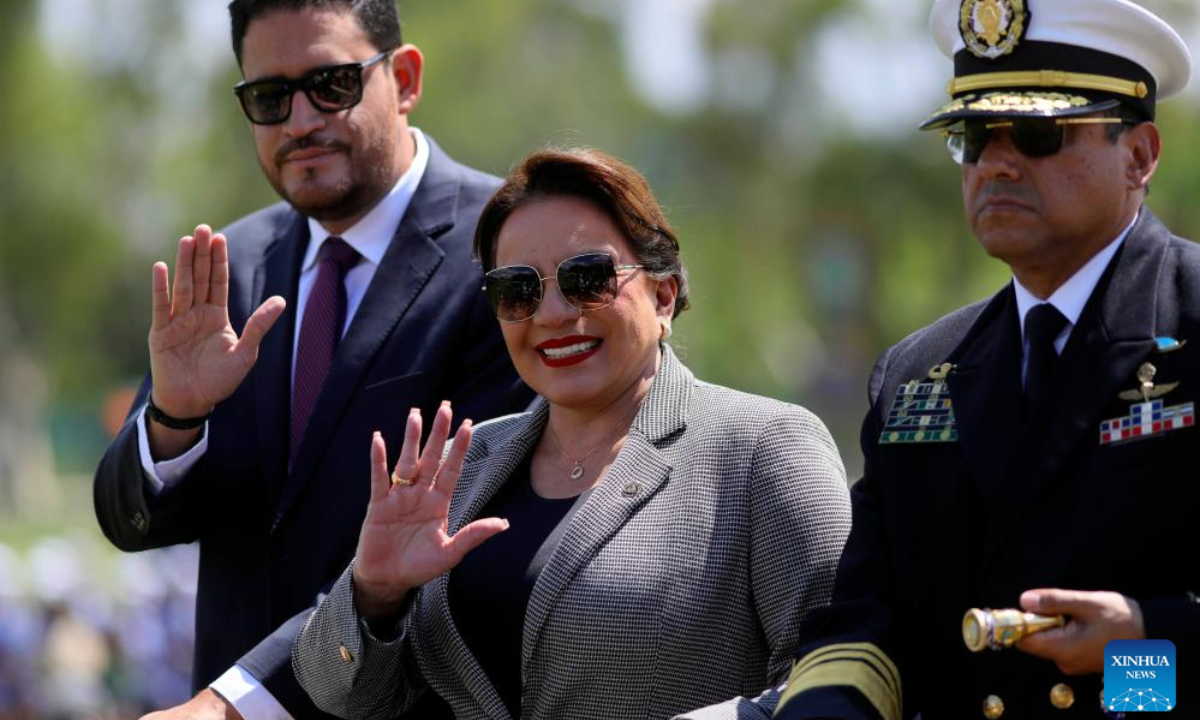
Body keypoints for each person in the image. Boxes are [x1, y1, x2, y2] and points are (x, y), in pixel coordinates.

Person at [290, 147, 852, 719]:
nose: (553, 313)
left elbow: (838, 682)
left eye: (588, 279)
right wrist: (374, 594)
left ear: (662, 295)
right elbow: (344, 696)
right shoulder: (470, 461)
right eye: (518, 290)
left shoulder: (766, 448)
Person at [92, 1, 533, 718]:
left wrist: (235, 705)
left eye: (332, 84)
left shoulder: (503, 256)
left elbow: (458, 549)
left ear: (407, 78)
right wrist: (175, 417)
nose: (300, 122)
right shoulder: (227, 271)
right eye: (270, 97)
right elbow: (130, 524)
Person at [774, 1, 1199, 719]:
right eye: (973, 137)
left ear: (1139, 155)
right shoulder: (918, 371)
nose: (996, 162)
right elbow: (863, 621)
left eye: (1038, 133)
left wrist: (1144, 646)